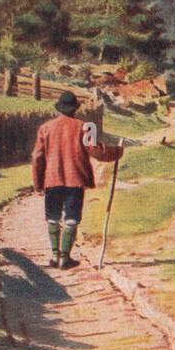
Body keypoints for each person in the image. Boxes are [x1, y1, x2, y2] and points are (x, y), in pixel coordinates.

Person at [31, 91, 124, 268]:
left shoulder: (45, 128)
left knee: (52, 217)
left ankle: (54, 256)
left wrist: (38, 183)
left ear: (59, 109)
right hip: (76, 180)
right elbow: (97, 151)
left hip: (52, 180)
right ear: (75, 109)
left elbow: (37, 157)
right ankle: (65, 258)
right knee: (71, 218)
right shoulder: (86, 127)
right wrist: (117, 152)